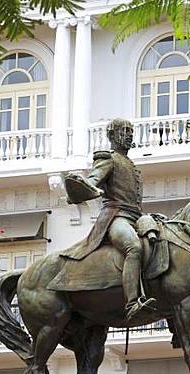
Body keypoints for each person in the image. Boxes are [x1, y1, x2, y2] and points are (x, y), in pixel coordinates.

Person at [62, 118, 159, 320]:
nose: (130, 134)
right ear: (113, 135)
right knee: (134, 247)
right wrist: (84, 187)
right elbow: (92, 180)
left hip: (136, 217)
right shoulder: (109, 159)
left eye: (131, 131)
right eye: (125, 131)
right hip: (117, 217)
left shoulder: (131, 164)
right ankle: (132, 303)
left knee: (164, 241)